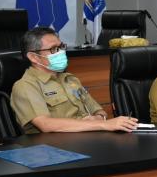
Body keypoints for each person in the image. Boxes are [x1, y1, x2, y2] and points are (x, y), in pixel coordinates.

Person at [10, 27, 138, 134]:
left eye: (61, 47)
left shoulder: (70, 79)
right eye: (54, 49)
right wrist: (101, 125)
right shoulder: (25, 86)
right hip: (55, 149)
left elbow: (99, 111)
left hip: (90, 138)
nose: (61, 52)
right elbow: (45, 124)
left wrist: (98, 118)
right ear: (34, 57)